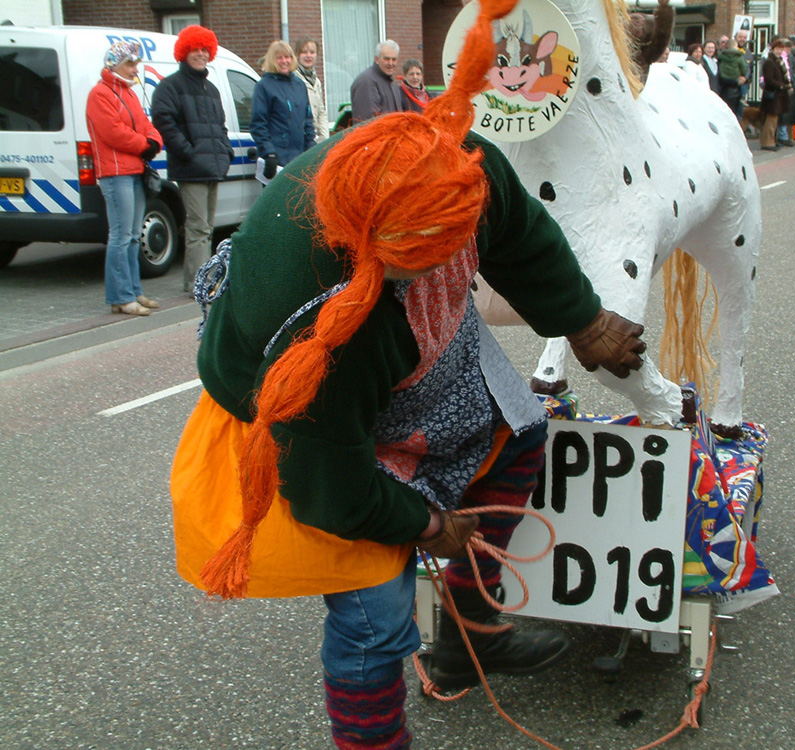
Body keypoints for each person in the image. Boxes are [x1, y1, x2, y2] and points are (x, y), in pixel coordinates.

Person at [169, 0, 648, 746]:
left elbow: (519, 233)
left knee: (520, 435)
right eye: (432, 261)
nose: (457, 267)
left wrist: (583, 321)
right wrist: (430, 525)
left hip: (407, 340)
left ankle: (471, 633)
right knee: (374, 613)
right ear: (386, 254)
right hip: (309, 406)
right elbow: (334, 488)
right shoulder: (319, 329)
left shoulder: (454, 162)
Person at [151, 25, 234, 297]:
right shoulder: (170, 87)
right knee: (199, 228)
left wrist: (225, 151)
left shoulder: (211, 89)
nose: (200, 54)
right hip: (191, 169)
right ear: (184, 52)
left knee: (206, 228)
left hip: (212, 167)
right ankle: (203, 284)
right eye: (195, 49)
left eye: (204, 49)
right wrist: (188, 152)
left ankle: (194, 282)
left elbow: (220, 126)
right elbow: (164, 122)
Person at [85, 40, 162, 317]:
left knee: (132, 236)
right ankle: (121, 295)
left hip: (133, 171)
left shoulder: (127, 93)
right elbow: (113, 132)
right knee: (121, 235)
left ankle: (132, 290)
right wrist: (145, 144)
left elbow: (145, 124)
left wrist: (154, 140)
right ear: (114, 65)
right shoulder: (100, 94)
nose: (135, 69)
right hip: (115, 172)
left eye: (135, 63)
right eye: (130, 64)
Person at [251, 40, 314, 180]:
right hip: (277, 159)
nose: (284, 61)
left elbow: (307, 120)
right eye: (279, 58)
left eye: (287, 57)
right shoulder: (263, 86)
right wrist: (269, 153)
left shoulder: (300, 85)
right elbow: (258, 124)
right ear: (272, 60)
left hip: (299, 158)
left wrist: (311, 146)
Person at [350, 40, 404, 121]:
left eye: (394, 59)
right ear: (376, 59)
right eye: (386, 59)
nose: (390, 63)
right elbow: (367, 121)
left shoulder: (392, 84)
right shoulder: (366, 83)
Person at [295, 38, 330, 143]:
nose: (308, 56)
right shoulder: (294, 80)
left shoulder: (317, 81)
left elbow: (321, 111)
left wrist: (324, 137)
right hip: (302, 138)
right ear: (297, 55)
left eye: (312, 52)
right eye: (304, 52)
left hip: (317, 139)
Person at [759, 38, 791, 151]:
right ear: (772, 49)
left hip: (778, 96)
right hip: (772, 95)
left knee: (775, 120)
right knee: (771, 120)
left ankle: (772, 141)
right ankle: (767, 142)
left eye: (781, 49)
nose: (779, 51)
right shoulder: (769, 62)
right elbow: (768, 79)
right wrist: (781, 85)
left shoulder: (778, 61)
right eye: (777, 49)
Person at [717, 37, 747, 117]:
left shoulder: (721, 56)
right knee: (735, 113)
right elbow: (743, 69)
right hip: (736, 85)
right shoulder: (739, 57)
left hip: (723, 86)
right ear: (735, 46)